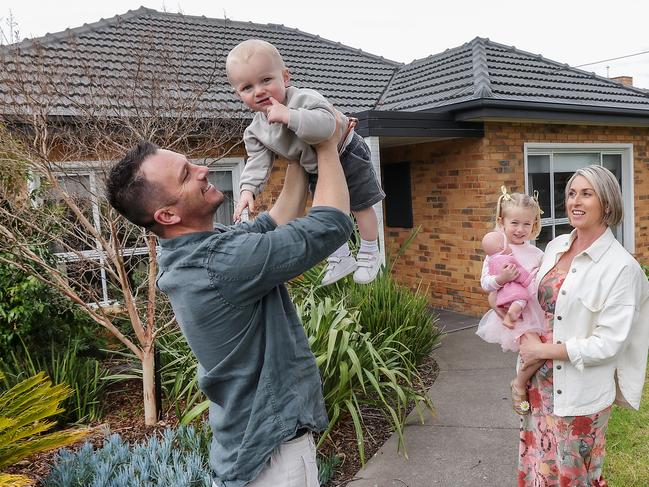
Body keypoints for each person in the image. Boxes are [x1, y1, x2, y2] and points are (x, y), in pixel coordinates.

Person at [105, 120, 353, 486]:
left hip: (247, 450)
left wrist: (300, 150)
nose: (204, 170)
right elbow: (331, 224)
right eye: (187, 174)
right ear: (168, 216)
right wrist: (329, 144)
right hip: (273, 459)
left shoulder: (196, 251)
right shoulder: (220, 263)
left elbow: (275, 219)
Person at [515, 165, 649, 486]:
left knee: (576, 478)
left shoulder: (621, 269)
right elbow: (538, 306)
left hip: (579, 396)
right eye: (571, 193)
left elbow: (608, 344)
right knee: (540, 469)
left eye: (586, 194)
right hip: (539, 383)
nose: (576, 201)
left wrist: (541, 349)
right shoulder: (556, 246)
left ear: (607, 202)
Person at [226, 38, 385, 286]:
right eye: (247, 87)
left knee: (361, 204)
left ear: (285, 77)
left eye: (266, 80)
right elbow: (257, 161)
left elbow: (327, 126)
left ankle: (369, 251)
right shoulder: (255, 130)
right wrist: (248, 190)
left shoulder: (303, 99)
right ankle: (340, 257)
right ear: (239, 95)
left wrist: (289, 116)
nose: (259, 91)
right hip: (315, 167)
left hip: (346, 151)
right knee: (326, 210)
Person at [476, 189, 546, 415]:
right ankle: (519, 386)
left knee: (534, 355)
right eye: (514, 222)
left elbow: (538, 283)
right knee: (536, 354)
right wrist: (501, 279)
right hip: (513, 315)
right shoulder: (496, 252)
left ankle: (524, 384)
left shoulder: (537, 253)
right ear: (501, 221)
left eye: (527, 224)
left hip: (531, 310)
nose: (520, 229)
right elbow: (486, 283)